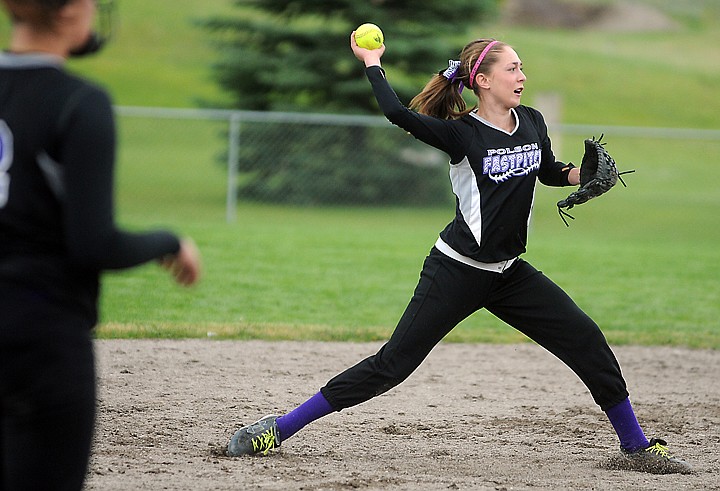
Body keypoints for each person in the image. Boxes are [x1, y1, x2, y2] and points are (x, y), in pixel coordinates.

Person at [226, 33, 691, 475]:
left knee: (587, 340)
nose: (521, 75)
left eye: (522, 67)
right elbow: (396, 113)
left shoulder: (530, 120)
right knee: (391, 366)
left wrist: (577, 176)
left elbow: (546, 169)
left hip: (510, 274)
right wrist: (373, 64)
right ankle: (277, 429)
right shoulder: (462, 135)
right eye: (512, 68)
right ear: (484, 81)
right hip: (456, 270)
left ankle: (636, 447)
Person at [0, 0, 202, 489]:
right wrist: (168, 241)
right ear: (69, 11)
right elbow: (93, 244)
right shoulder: (76, 101)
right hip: (41, 341)